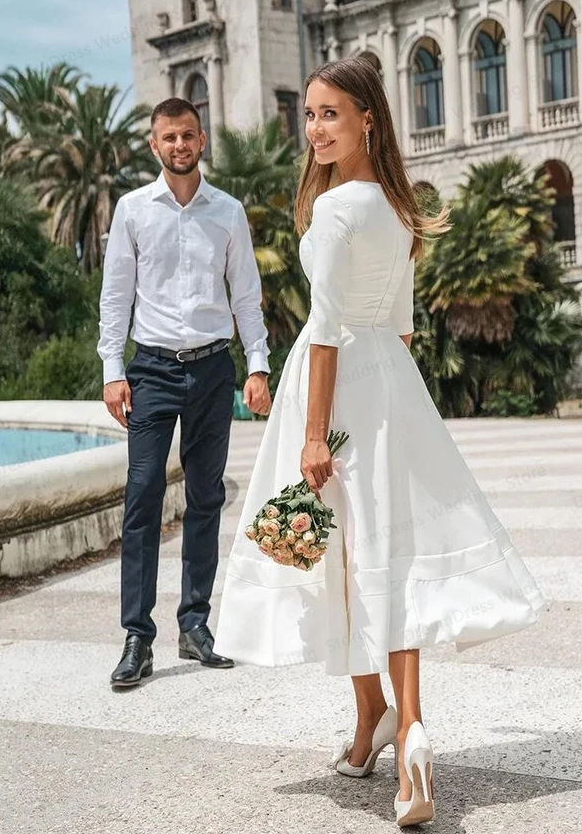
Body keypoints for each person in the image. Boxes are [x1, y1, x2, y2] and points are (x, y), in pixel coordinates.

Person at [213, 57, 546, 827]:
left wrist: (309, 437)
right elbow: (397, 322)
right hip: (392, 386)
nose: (316, 129)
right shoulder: (399, 207)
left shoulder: (334, 212)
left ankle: (385, 728)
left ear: (370, 118)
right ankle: (398, 729)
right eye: (309, 114)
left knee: (336, 559)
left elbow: (324, 332)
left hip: (333, 391)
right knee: (381, 561)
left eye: (331, 113)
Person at [98, 97, 272, 690]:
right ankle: (136, 638)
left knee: (204, 497)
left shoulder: (227, 211)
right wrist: (111, 369)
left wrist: (257, 366)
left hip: (212, 371)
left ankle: (195, 626)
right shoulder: (132, 211)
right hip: (150, 370)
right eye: (169, 137)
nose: (179, 145)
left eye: (188, 136)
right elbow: (115, 295)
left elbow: (246, 294)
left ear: (203, 141)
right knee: (142, 498)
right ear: (155, 144)